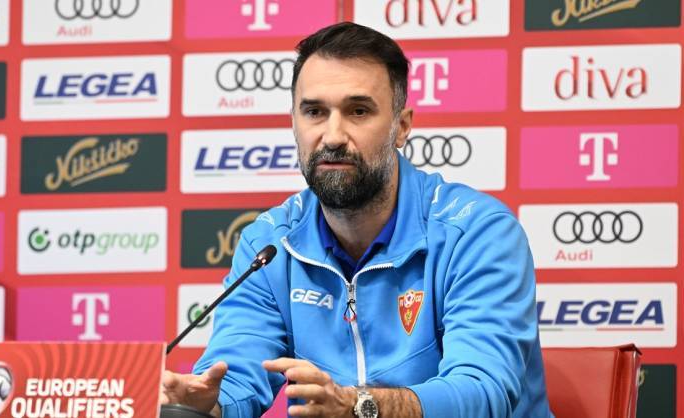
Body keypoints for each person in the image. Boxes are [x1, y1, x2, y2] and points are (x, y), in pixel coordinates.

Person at [162, 22, 553, 418]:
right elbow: (235, 380)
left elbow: (483, 392)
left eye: (358, 111)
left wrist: (358, 407)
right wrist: (204, 406)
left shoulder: (477, 233)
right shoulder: (269, 245)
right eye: (315, 112)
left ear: (401, 127)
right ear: (295, 123)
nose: (333, 136)